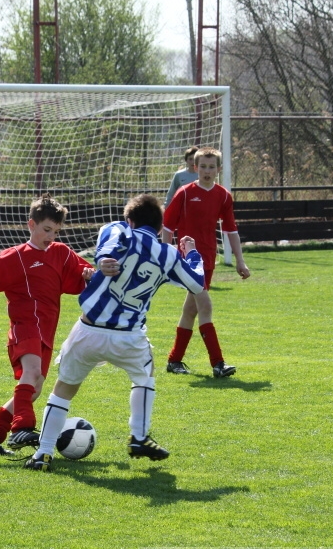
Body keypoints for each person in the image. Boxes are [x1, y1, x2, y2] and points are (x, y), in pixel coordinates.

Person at [23, 194, 206, 471]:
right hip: (129, 336)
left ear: (129, 220)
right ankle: (139, 437)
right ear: (159, 228)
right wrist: (191, 252)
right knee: (145, 377)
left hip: (89, 330)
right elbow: (197, 284)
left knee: (65, 388)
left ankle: (43, 453)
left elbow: (108, 239)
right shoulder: (167, 254)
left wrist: (103, 259)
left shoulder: (119, 230)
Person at [0, 196, 99, 456]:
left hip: (47, 331)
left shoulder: (61, 253)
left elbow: (84, 277)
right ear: (32, 225)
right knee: (32, 371)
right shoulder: (15, 256)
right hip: (24, 325)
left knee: (35, 388)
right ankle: (22, 427)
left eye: (56, 231)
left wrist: (89, 276)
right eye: (47, 230)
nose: (51, 236)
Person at [161, 146, 251, 378]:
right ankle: (218, 363)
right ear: (195, 167)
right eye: (203, 167)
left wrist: (240, 261)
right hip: (187, 261)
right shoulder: (185, 193)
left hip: (208, 259)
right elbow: (168, 227)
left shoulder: (223, 195)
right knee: (205, 306)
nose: (207, 171)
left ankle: (174, 360)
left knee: (191, 309)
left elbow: (231, 230)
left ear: (219, 169)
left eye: (212, 167)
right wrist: (167, 254)